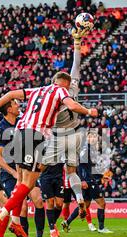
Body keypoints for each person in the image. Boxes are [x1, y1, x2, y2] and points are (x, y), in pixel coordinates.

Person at [0, 71, 98, 235]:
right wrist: (89, 111)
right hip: (35, 135)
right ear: (63, 83)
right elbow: (72, 106)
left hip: (20, 132)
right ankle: (2, 214)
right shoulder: (60, 90)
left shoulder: (37, 90)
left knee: (22, 181)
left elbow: (10, 94)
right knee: (28, 183)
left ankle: (14, 221)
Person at [41, 27, 93, 221]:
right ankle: (79, 197)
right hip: (76, 134)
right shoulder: (73, 87)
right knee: (71, 171)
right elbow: (76, 65)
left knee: (38, 168)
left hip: (58, 136)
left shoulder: (52, 94)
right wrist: (77, 42)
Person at [0, 100, 49, 237]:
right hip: (10, 173)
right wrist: (12, 172)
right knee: (23, 206)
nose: (19, 106)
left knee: (38, 200)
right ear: (9, 109)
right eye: (16, 104)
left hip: (27, 167)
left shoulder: (23, 122)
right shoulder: (1, 128)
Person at [62, 131, 113, 233]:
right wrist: (82, 180)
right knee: (101, 203)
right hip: (88, 181)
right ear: (87, 138)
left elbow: (89, 168)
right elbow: (80, 165)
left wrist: (101, 176)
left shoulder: (90, 149)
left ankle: (67, 222)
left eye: (95, 136)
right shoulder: (86, 149)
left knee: (85, 204)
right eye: (91, 136)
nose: (94, 138)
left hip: (89, 180)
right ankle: (101, 228)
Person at [39, 163, 65, 237]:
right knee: (50, 202)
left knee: (59, 204)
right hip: (46, 178)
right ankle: (52, 229)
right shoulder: (44, 151)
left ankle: (52, 222)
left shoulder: (61, 151)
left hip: (59, 178)